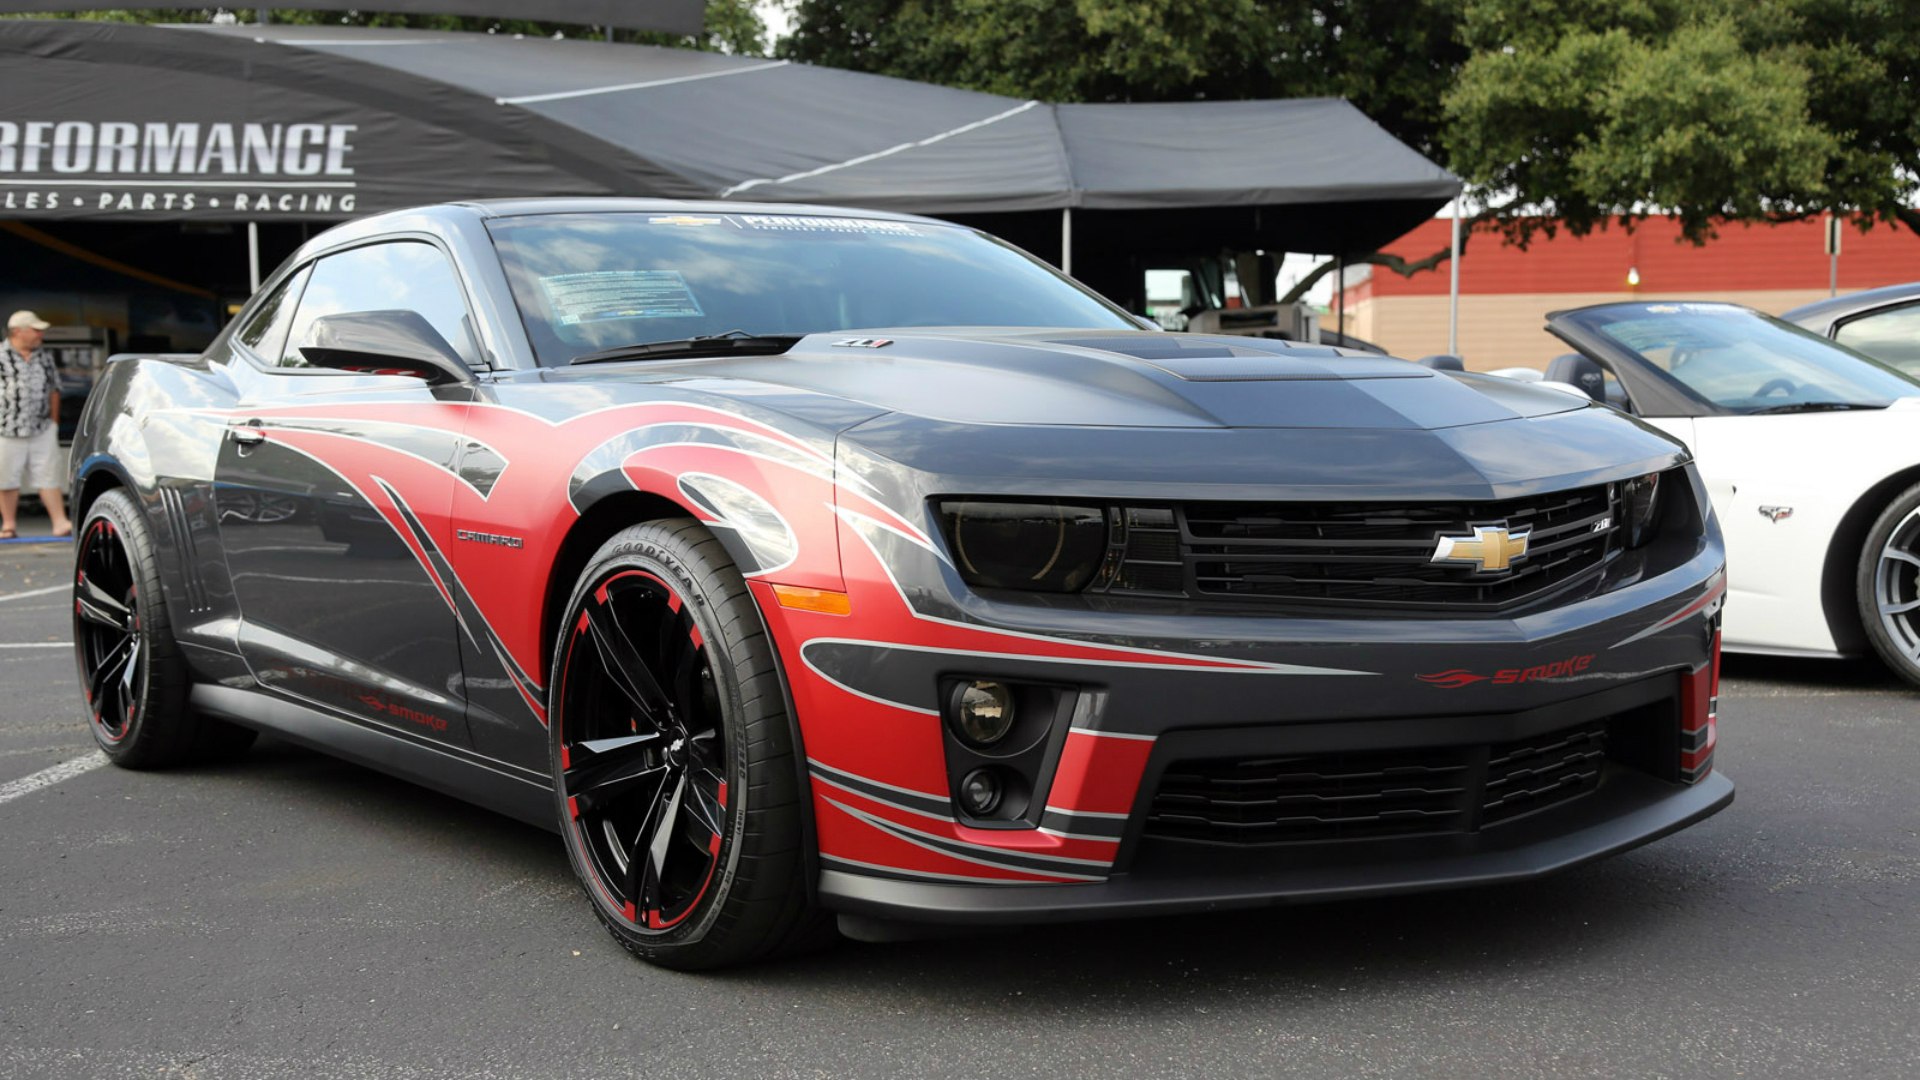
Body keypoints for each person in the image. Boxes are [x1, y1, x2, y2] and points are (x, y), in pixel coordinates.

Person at [1, 310, 73, 540]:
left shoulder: (44, 356)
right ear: (18, 332)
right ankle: (9, 525)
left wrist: (54, 422)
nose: (40, 334)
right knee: (6, 477)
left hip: (42, 428)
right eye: (35, 330)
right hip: (7, 428)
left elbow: (55, 389)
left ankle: (60, 522)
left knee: (49, 473)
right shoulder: (1, 356)